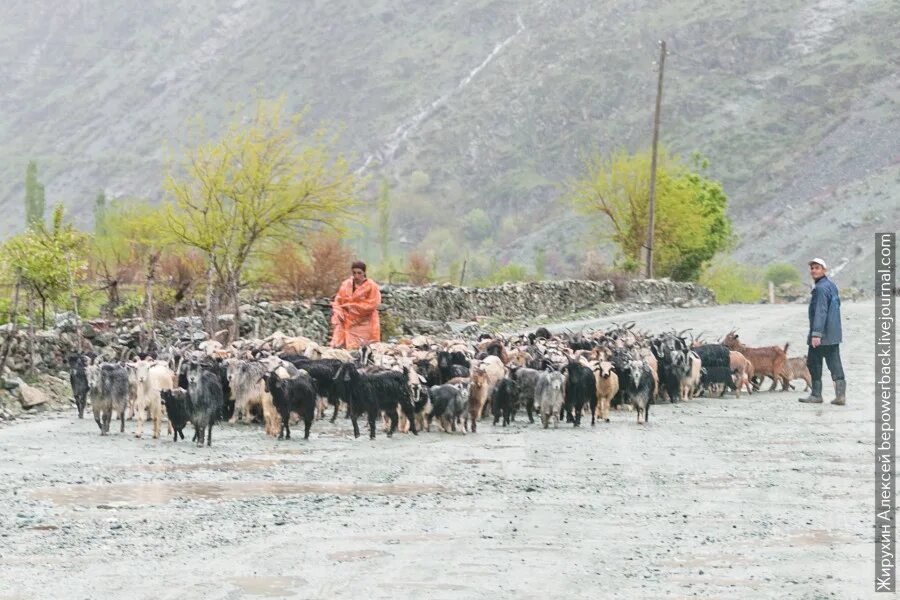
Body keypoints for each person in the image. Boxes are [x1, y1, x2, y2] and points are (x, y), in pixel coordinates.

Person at [798, 257, 846, 405]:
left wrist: (816, 334)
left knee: (813, 363)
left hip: (821, 335)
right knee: (835, 364)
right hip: (833, 334)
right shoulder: (831, 285)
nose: (813, 270)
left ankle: (816, 395)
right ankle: (840, 396)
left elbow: (820, 311)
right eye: (812, 268)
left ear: (824, 270)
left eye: (817, 268)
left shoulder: (820, 288)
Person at [330, 261, 381, 350]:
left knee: (362, 350)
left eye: (359, 273)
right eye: (354, 273)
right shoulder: (346, 284)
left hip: (365, 323)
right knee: (339, 348)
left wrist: (352, 306)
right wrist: (339, 312)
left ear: (364, 272)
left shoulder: (372, 286)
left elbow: (372, 304)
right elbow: (338, 301)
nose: (356, 276)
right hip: (346, 322)